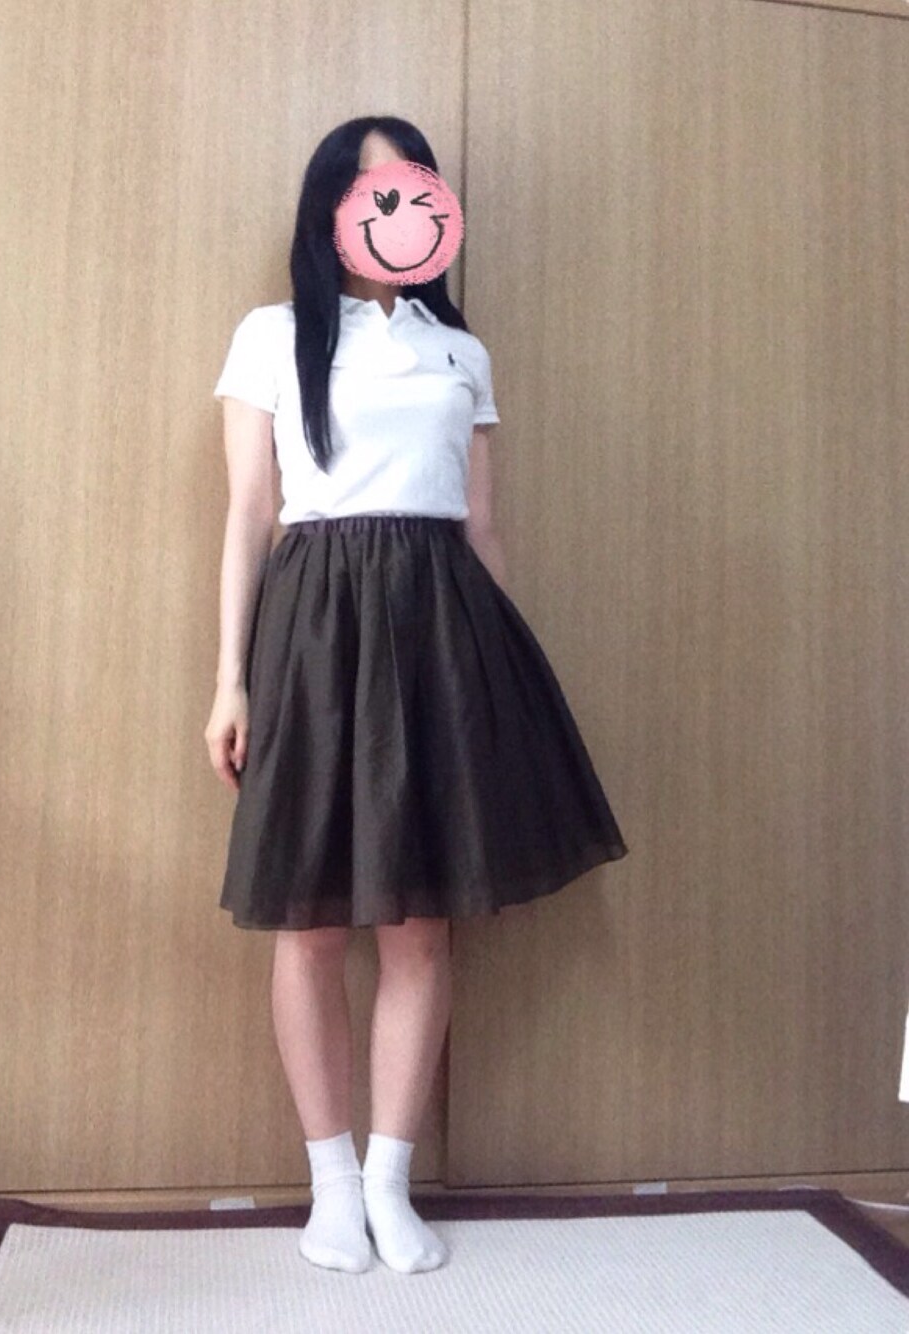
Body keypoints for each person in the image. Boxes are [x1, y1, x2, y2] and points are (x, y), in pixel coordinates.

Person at [204, 115, 629, 1277]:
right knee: (307, 919)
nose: (390, 205)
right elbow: (249, 512)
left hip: (444, 621)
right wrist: (230, 677)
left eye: (409, 185)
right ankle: (331, 1184)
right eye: (366, 185)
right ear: (329, 206)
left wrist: (501, 676)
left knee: (419, 921)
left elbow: (482, 525)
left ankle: (389, 1179)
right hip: (314, 620)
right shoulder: (272, 334)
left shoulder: (459, 352)